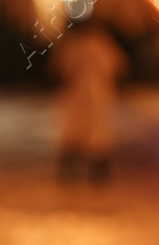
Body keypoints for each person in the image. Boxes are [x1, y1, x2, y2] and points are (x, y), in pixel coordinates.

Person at [50, 19, 127, 183]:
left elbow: (60, 68)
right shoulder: (99, 45)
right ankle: (83, 169)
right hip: (90, 94)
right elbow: (119, 67)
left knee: (84, 129)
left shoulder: (78, 45)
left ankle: (88, 169)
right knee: (89, 130)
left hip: (87, 93)